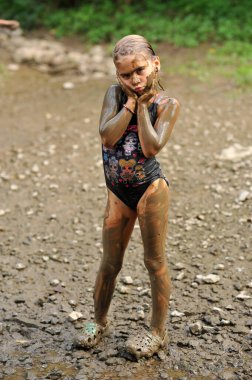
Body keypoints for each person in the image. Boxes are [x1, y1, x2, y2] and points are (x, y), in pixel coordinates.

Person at [75, 34, 180, 359]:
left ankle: (158, 331)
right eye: (125, 74)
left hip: (150, 189)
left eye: (140, 70)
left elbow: (150, 147)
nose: (135, 79)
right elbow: (107, 136)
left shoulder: (167, 104)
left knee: (154, 262)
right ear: (116, 74)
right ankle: (99, 321)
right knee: (109, 263)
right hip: (118, 191)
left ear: (155, 64)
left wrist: (145, 106)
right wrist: (131, 104)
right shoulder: (115, 95)